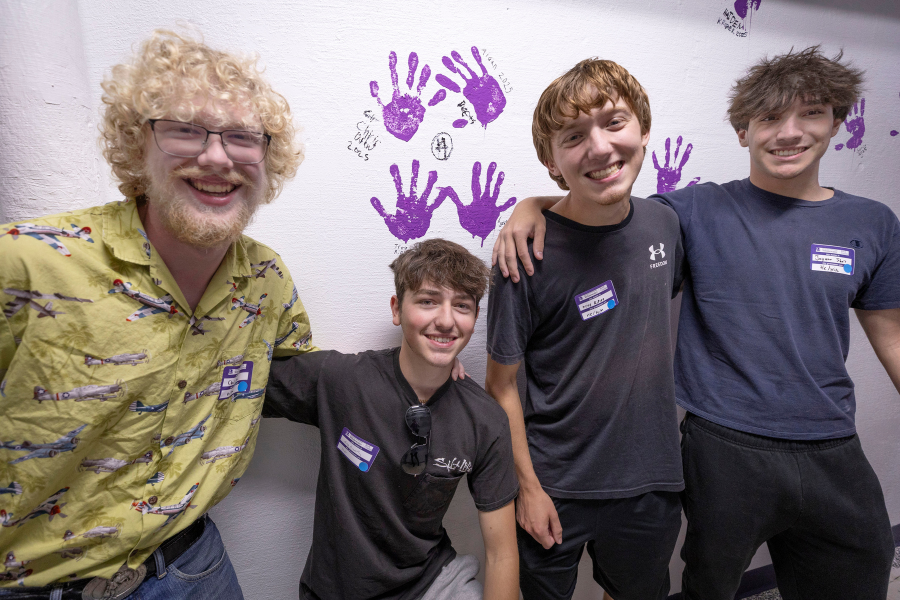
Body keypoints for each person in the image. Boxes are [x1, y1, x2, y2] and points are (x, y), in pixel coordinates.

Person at [493, 46, 900, 600]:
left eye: (811, 113)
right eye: (769, 118)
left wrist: (531, 202)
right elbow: (599, 207)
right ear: (742, 131)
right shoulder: (685, 214)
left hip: (779, 452)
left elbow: (891, 337)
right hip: (683, 454)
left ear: (836, 121)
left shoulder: (867, 223)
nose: (789, 132)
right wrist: (528, 207)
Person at [0, 30, 313, 599]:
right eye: (185, 130)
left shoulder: (265, 281)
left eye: (243, 137)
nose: (217, 156)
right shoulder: (27, 261)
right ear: (135, 146)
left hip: (192, 568)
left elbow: (313, 373)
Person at [484, 59, 685, 600]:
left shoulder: (665, 223)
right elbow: (501, 386)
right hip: (554, 488)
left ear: (643, 129)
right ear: (551, 159)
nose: (599, 148)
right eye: (574, 136)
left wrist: (531, 201)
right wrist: (527, 488)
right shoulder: (524, 255)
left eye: (615, 122)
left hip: (651, 484)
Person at [263, 238, 519, 600]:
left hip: (433, 584)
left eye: (462, 306)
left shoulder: (485, 420)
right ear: (397, 309)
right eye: (428, 301)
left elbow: (502, 553)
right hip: (337, 589)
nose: (446, 321)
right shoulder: (342, 380)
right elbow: (239, 376)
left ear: (475, 319)